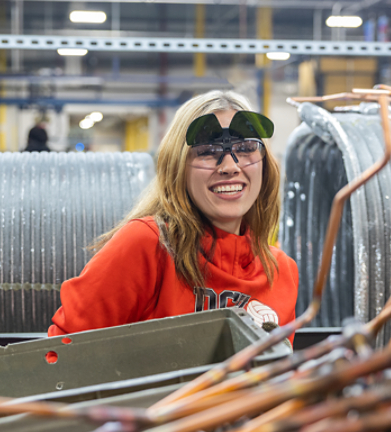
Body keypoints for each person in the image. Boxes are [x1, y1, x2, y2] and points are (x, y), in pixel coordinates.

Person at [48, 90, 299, 345]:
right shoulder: (147, 245)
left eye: (245, 149)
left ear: (265, 164)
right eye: (208, 151)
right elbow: (60, 355)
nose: (230, 166)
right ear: (177, 166)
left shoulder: (280, 272)